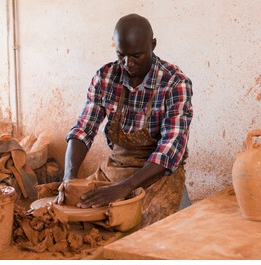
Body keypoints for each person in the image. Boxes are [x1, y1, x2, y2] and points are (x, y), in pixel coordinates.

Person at [56, 13, 193, 228]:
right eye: (121, 55)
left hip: (159, 176)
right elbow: (84, 129)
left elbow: (170, 150)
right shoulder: (105, 77)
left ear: (153, 45)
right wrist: (69, 178)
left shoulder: (174, 83)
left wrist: (124, 188)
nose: (127, 63)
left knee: (169, 232)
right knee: (66, 221)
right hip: (115, 169)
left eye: (136, 55)